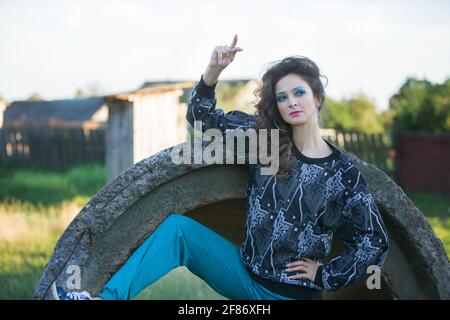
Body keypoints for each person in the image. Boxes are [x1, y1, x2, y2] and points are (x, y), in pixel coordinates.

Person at [52, 34, 389, 300]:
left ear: (317, 98)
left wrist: (325, 274)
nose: (291, 102)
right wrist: (213, 72)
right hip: (243, 274)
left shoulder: (343, 173)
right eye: (282, 96)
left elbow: (374, 241)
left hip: (293, 295)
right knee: (177, 231)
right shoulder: (264, 140)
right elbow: (202, 118)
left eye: (299, 92)